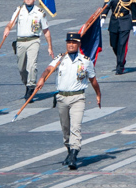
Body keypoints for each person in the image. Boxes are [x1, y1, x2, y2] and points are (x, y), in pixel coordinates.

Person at [30, 31, 101, 171]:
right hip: (62, 98)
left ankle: (74, 155)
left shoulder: (85, 61)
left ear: (79, 44)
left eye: (74, 43)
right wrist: (42, 78)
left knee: (76, 127)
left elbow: (93, 80)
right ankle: (69, 151)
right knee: (65, 129)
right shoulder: (60, 58)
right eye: (69, 42)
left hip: (78, 98)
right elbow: (48, 69)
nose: (71, 45)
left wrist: (98, 94)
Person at [0, 0, 53, 100]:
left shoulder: (39, 12)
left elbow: (46, 30)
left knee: (32, 65)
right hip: (20, 41)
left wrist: (49, 47)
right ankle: (27, 83)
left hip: (33, 40)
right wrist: (7, 28)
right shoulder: (19, 10)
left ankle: (30, 87)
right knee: (21, 68)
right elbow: (11, 23)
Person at [99, 0, 136, 74]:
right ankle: (121, 58)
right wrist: (103, 18)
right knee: (113, 44)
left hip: (125, 22)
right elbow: (106, 7)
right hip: (114, 22)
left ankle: (120, 66)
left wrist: (134, 23)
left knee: (122, 44)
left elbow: (134, 11)